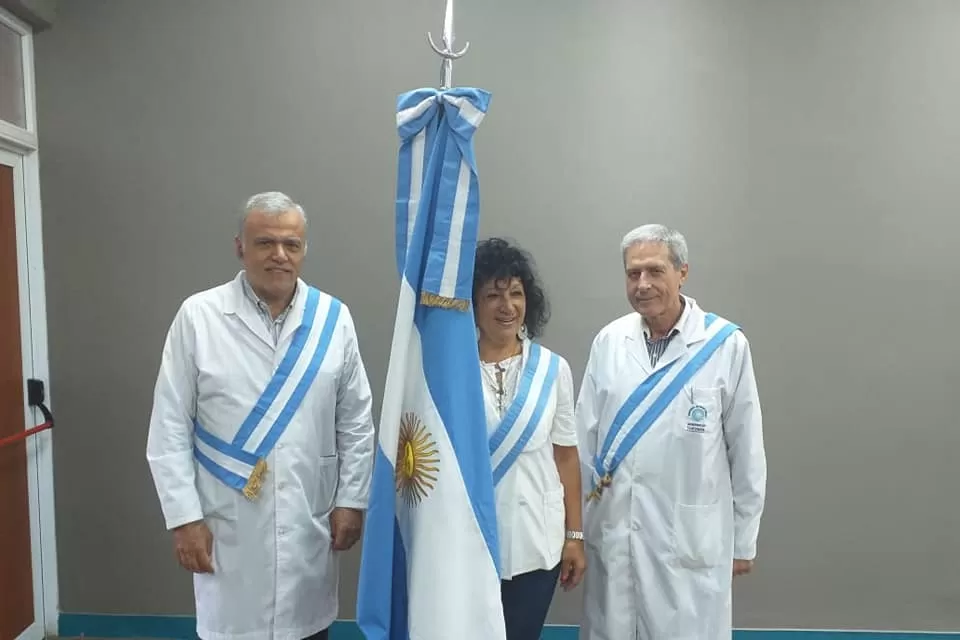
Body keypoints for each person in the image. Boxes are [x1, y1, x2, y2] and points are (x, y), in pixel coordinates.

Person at [145, 191, 376, 640]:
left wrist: (352, 501)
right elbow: (169, 426)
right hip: (227, 524)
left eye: (291, 245)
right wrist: (184, 519)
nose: (279, 256)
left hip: (309, 521)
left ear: (304, 250)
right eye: (265, 242)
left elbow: (355, 420)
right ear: (240, 247)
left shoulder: (334, 318)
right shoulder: (199, 317)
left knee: (306, 630)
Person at [576, 224, 766, 640]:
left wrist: (744, 538)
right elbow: (583, 444)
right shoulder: (609, 342)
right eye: (633, 274)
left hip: (689, 542)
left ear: (682, 272)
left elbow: (747, 451)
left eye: (654, 271)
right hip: (615, 538)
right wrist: (577, 530)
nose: (642, 284)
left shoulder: (724, 346)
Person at [472, 237, 587, 640]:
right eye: (493, 295)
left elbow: (567, 457)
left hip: (538, 542)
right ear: (473, 304)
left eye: (516, 294)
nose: (507, 307)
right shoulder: (451, 369)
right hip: (469, 542)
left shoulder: (553, 370)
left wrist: (574, 537)